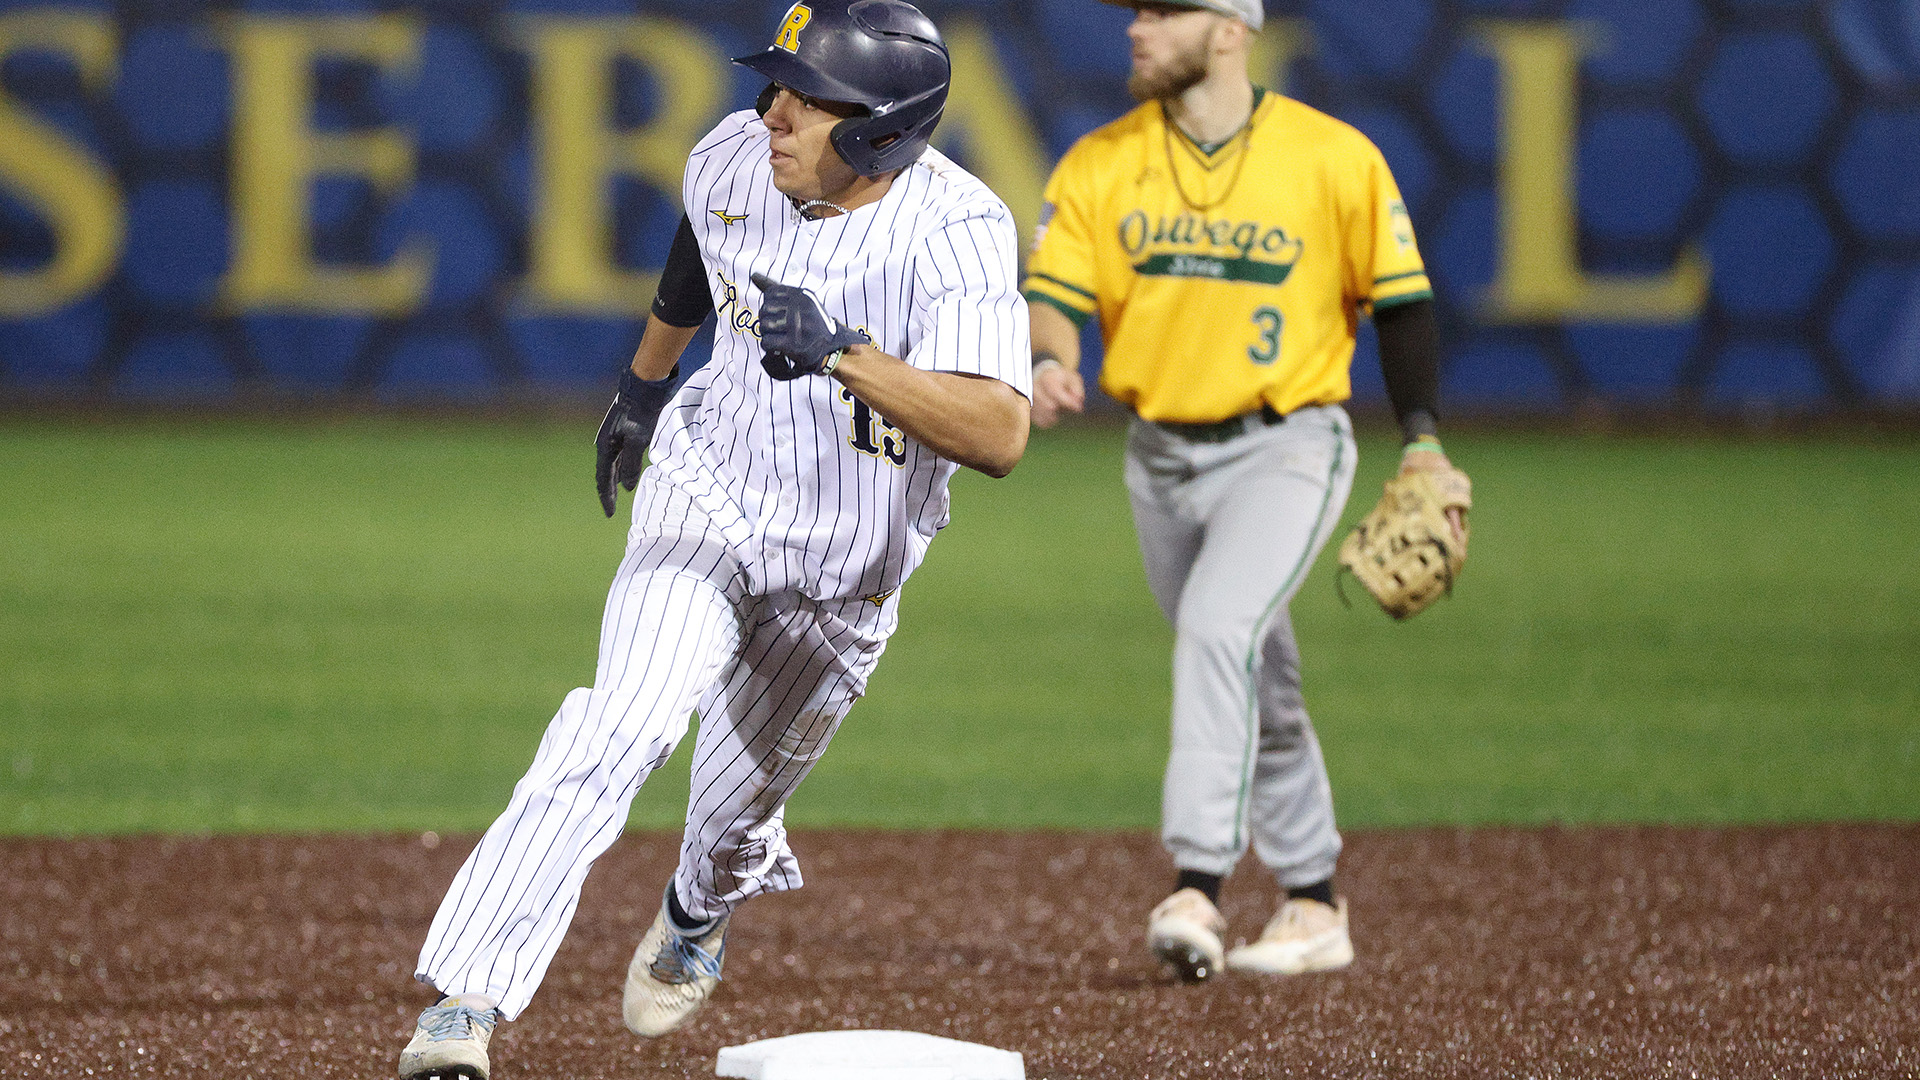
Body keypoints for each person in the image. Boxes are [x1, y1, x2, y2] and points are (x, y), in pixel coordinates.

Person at [395, 3, 1031, 1076]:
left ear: (881, 130)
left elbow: (1000, 432)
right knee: (618, 729)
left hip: (845, 568)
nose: (771, 111)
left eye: (805, 96)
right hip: (708, 495)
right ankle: (467, 1002)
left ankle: (698, 906)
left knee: (735, 820)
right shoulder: (738, 153)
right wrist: (643, 390)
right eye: (773, 82)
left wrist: (844, 355)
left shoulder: (957, 230)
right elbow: (703, 237)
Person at [1024, 0, 1467, 982]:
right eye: (1134, 12)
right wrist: (1052, 362)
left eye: (1163, 11)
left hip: (1288, 446)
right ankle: (1314, 900)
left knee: (1219, 632)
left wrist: (1423, 444)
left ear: (1230, 29)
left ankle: (1198, 886)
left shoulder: (1332, 157)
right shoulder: (1100, 160)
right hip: (1157, 457)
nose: (1137, 28)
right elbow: (1052, 299)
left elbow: (1402, 305)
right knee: (1254, 672)